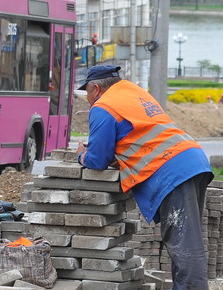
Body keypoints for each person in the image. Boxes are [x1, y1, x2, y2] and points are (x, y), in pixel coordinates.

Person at [75, 65, 213, 290]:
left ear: (96, 88)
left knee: (185, 246)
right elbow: (140, 135)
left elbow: (97, 160)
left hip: (173, 169)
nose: (88, 99)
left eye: (87, 93)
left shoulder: (103, 106)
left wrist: (81, 155)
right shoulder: (132, 92)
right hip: (189, 160)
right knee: (185, 242)